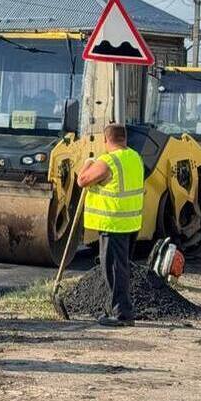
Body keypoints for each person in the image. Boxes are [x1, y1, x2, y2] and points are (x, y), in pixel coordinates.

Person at [77, 122, 144, 327]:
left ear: (106, 140)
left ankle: (121, 314)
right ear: (124, 138)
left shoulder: (108, 161)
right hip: (130, 222)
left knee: (114, 269)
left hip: (113, 223)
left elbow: (82, 180)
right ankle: (120, 309)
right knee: (121, 268)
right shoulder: (134, 157)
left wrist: (88, 162)